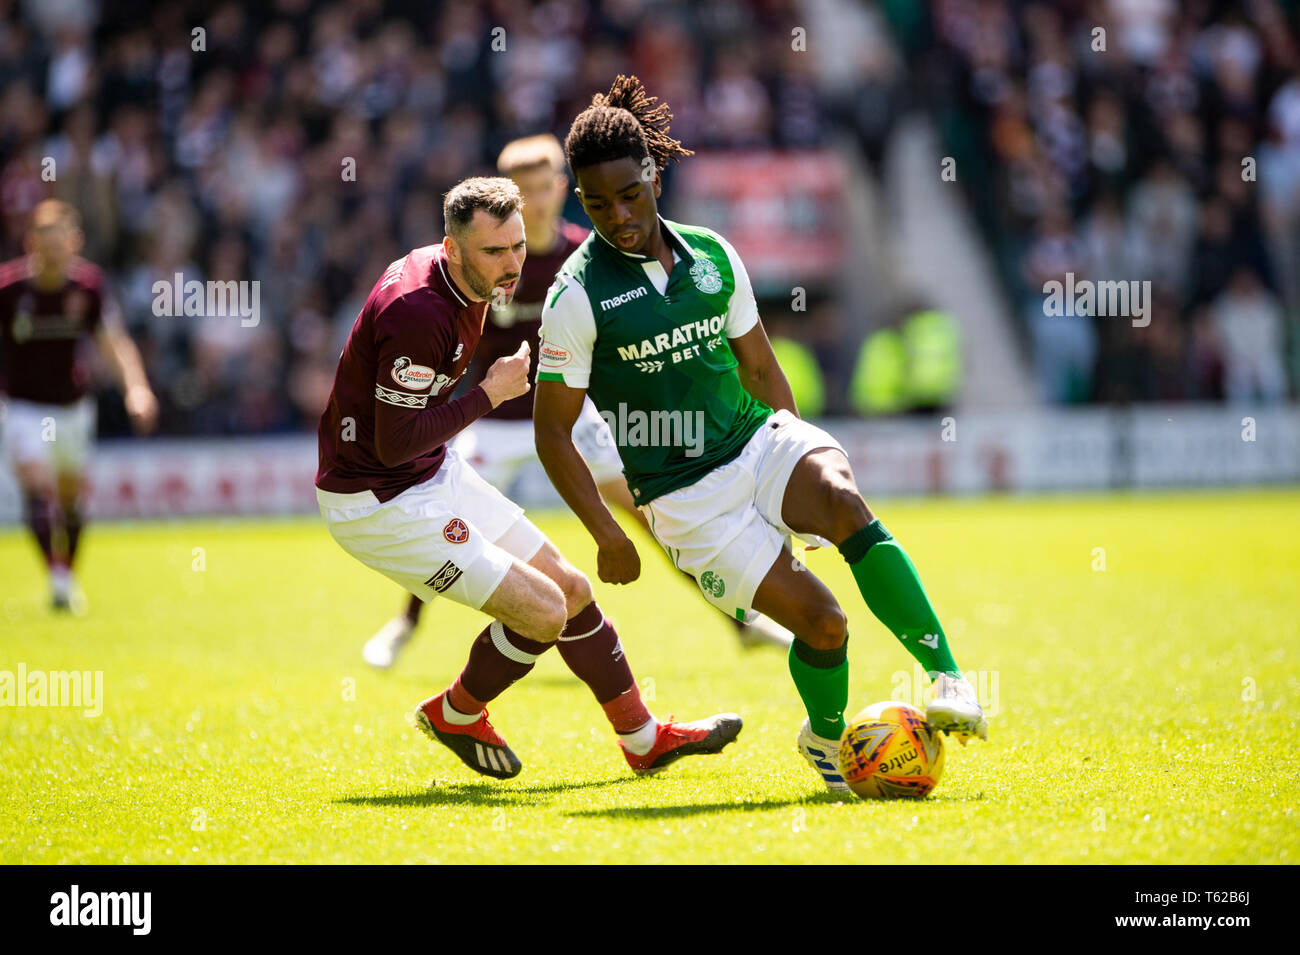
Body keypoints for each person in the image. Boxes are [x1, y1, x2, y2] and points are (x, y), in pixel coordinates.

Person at [534, 77, 987, 794]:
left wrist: (792, 456)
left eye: (628, 194)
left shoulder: (715, 255)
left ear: (654, 173)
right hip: (684, 499)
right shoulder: (576, 296)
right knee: (825, 625)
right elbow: (553, 433)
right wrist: (607, 532)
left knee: (841, 499)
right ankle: (828, 740)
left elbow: (762, 368)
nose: (617, 216)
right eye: (595, 204)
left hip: (754, 440)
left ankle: (948, 676)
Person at [316, 175, 741, 779]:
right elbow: (392, 443)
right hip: (376, 503)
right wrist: (489, 395)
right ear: (453, 247)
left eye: (517, 246)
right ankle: (457, 711)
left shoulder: (466, 281)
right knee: (544, 611)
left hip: (427, 473)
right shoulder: (419, 311)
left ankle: (643, 740)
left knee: (570, 589)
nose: (512, 263)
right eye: (494, 251)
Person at [362, 134, 791, 669]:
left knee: (648, 517)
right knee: (445, 518)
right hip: (496, 413)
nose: (537, 201)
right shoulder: (485, 260)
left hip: (571, 417)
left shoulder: (588, 259)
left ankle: (739, 622)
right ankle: (405, 622)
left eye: (545, 188)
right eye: (525, 192)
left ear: (562, 188)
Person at [0, 199, 158, 613]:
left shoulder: (88, 288)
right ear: (30, 243)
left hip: (72, 408)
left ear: (75, 243)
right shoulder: (9, 290)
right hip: (23, 406)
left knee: (70, 500)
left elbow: (114, 343)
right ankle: (57, 579)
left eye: (60, 246)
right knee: (37, 486)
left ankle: (65, 575)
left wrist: (136, 389)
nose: (52, 255)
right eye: (44, 246)